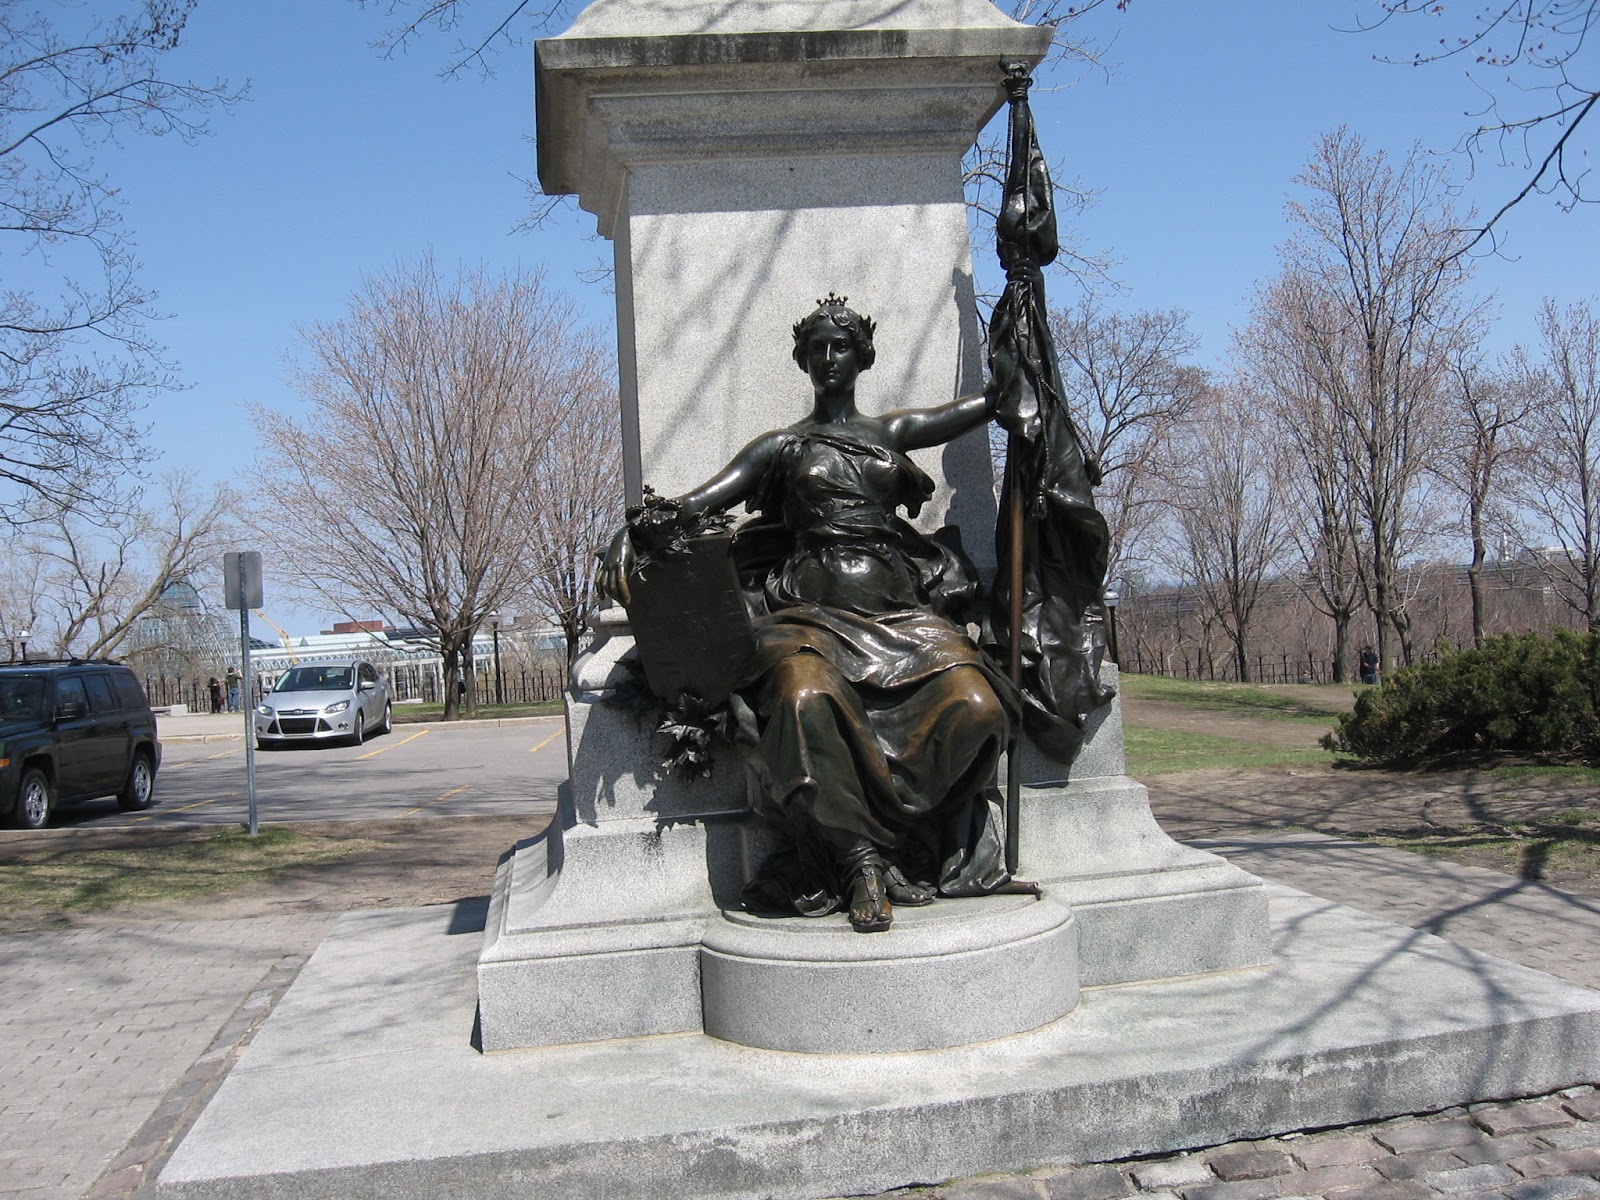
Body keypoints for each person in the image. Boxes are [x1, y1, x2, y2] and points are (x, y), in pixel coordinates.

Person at [601, 295, 1023, 933]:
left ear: (863, 357)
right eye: (817, 348)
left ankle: (909, 841)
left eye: (841, 346)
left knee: (979, 705)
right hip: (807, 617)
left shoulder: (890, 434)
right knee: (802, 699)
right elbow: (692, 504)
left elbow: (976, 409)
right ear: (803, 360)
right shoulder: (780, 447)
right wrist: (631, 535)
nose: (828, 358)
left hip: (896, 618)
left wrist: (1020, 379)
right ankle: (858, 863)